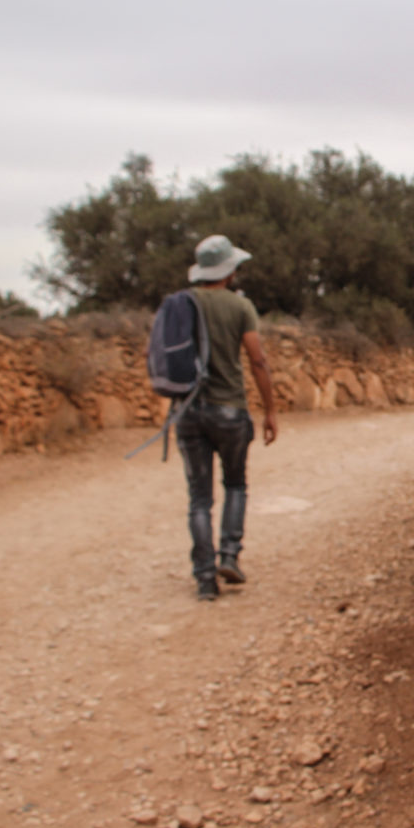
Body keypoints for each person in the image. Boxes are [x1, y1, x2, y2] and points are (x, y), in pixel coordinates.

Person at [176, 234, 279, 601]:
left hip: (187, 412)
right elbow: (257, 360)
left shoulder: (181, 305)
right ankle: (230, 555)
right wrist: (269, 410)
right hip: (230, 409)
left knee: (199, 498)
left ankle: (204, 578)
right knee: (235, 484)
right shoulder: (240, 307)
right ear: (229, 270)